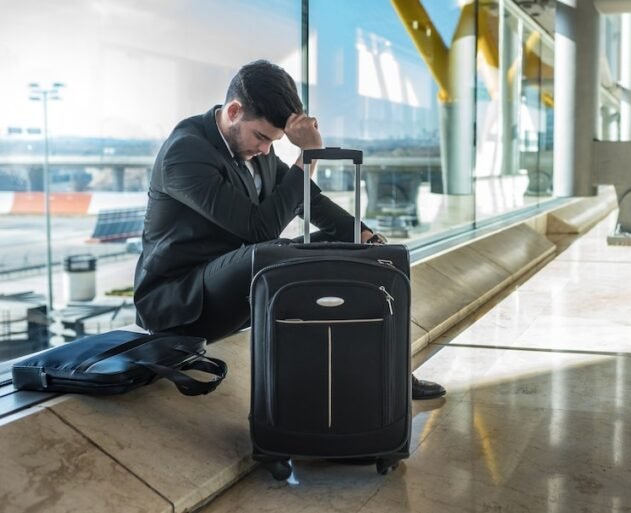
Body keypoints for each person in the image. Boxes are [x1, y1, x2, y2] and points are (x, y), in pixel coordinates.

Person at [133, 60, 445, 400]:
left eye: (273, 141)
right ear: (234, 111)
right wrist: (309, 156)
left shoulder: (256, 150)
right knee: (276, 253)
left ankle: (390, 375)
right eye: (262, 137)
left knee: (346, 250)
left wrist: (365, 237)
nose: (266, 149)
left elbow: (303, 199)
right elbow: (259, 230)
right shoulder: (186, 151)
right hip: (180, 300)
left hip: (237, 280)